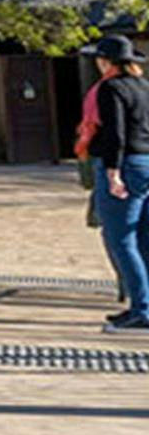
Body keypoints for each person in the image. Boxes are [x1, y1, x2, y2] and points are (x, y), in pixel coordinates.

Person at [85, 34, 149, 333]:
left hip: (124, 164)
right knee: (144, 239)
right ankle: (143, 304)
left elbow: (116, 133)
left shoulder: (110, 88)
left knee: (121, 239)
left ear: (106, 62)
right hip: (146, 163)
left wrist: (112, 172)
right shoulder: (144, 87)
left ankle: (141, 309)